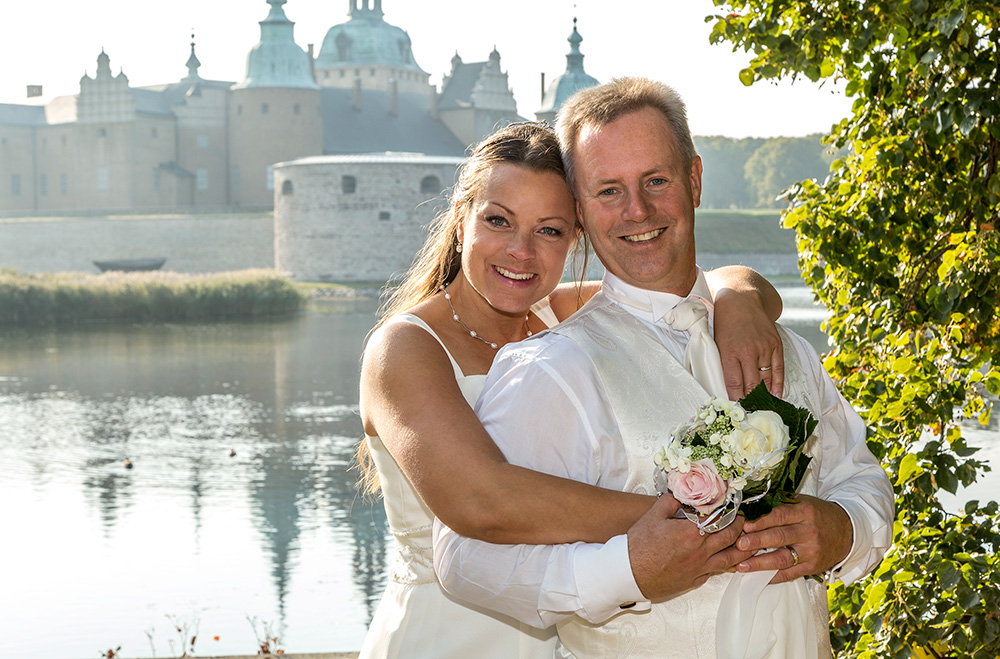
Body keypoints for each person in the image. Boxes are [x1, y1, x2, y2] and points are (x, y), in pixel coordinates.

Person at [433, 79, 895, 659]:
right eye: (609, 191)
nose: (638, 211)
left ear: (695, 179)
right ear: (580, 209)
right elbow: (463, 559)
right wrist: (626, 571)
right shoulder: (553, 369)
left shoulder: (785, 347)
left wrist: (841, 530)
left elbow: (861, 476)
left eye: (656, 181)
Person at [357, 121, 787, 658]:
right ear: (461, 222)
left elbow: (699, 284)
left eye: (550, 230)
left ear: (576, 237)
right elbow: (481, 500)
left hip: (567, 626)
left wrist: (740, 300)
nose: (521, 251)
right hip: (449, 635)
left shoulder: (565, 316)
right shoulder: (405, 348)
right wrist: (698, 510)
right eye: (499, 220)